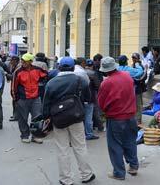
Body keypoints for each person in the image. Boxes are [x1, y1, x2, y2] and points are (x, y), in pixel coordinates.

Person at [42, 57, 96, 185]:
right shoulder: (80, 79)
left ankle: (66, 179)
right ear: (73, 67)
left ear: (59, 67)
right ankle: (86, 175)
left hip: (58, 119)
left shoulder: (51, 83)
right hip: (76, 117)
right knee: (80, 146)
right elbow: (88, 97)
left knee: (62, 149)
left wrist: (46, 118)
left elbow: (46, 104)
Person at [98, 57, 139, 180]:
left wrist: (104, 113)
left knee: (115, 145)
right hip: (131, 116)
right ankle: (133, 166)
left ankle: (119, 173)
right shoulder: (127, 76)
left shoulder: (106, 83)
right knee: (130, 141)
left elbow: (101, 103)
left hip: (116, 118)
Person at [12, 53, 48, 143]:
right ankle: (25, 135)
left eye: (25, 61)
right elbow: (13, 86)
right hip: (23, 99)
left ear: (31, 62)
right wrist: (16, 99)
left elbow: (46, 76)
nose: (23, 62)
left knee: (37, 118)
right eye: (22, 60)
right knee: (23, 118)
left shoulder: (38, 70)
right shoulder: (18, 72)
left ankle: (35, 136)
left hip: (36, 98)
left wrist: (41, 87)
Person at [117, 54, 145, 124]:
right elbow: (140, 72)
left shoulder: (117, 69)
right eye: (132, 58)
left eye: (135, 58)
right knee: (137, 105)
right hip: (132, 90)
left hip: (122, 91)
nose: (133, 59)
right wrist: (138, 65)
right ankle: (136, 121)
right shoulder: (130, 69)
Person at [84, 59, 101, 140]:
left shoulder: (81, 72)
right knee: (89, 116)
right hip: (90, 97)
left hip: (80, 98)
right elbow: (98, 85)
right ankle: (89, 134)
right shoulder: (93, 73)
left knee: (83, 115)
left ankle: (83, 132)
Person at [8, 55, 21, 121]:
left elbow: (14, 77)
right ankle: (15, 115)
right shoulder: (14, 66)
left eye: (12, 60)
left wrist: (7, 75)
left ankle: (16, 116)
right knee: (14, 102)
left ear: (15, 61)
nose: (11, 62)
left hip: (17, 88)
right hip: (14, 87)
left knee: (16, 102)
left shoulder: (18, 67)